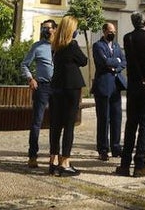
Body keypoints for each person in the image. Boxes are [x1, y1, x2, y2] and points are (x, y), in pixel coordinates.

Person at [117, 12, 145, 177]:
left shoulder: (127, 38)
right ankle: (140, 164)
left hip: (134, 85)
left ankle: (124, 164)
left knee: (131, 124)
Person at [48, 15, 88, 176]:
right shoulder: (72, 45)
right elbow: (84, 60)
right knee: (69, 124)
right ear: (71, 30)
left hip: (57, 86)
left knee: (56, 124)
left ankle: (53, 160)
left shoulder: (55, 46)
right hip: (71, 87)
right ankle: (65, 162)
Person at [20, 18, 57, 168]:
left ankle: (54, 156)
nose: (46, 30)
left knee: (55, 123)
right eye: (43, 28)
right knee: (37, 122)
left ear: (55, 29)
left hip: (57, 88)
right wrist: (30, 79)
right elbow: (24, 64)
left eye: (48, 28)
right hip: (42, 87)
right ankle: (32, 155)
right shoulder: (37, 46)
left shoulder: (60, 46)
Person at [90, 21, 126, 161]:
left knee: (117, 118)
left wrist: (116, 66)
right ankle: (103, 149)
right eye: (110, 31)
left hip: (116, 86)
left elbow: (123, 61)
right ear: (104, 31)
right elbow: (104, 62)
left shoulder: (117, 46)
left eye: (114, 32)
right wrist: (115, 61)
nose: (113, 34)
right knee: (104, 119)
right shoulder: (98, 46)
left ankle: (116, 147)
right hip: (103, 86)